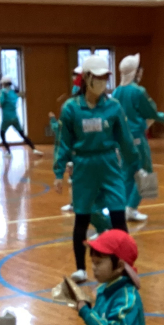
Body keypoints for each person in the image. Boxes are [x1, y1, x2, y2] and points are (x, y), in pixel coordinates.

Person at [53, 55, 137, 283]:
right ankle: (80, 268)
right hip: (84, 166)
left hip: (109, 164)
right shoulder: (71, 108)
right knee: (81, 218)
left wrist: (136, 165)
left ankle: (125, 265)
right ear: (87, 78)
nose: (102, 82)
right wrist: (58, 172)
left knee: (119, 216)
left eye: (105, 78)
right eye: (98, 77)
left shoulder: (113, 107)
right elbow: (64, 143)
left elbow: (126, 140)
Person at [112, 54, 164, 222]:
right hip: (137, 138)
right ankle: (132, 208)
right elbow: (150, 112)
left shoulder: (116, 92)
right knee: (146, 172)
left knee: (127, 173)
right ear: (135, 72)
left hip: (122, 139)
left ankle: (124, 208)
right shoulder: (138, 91)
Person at [0, 77, 42, 156]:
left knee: (2, 134)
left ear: (4, 84)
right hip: (15, 117)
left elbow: (1, 102)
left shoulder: (3, 91)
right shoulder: (14, 92)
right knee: (22, 134)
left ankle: (8, 152)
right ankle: (34, 149)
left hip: (6, 117)